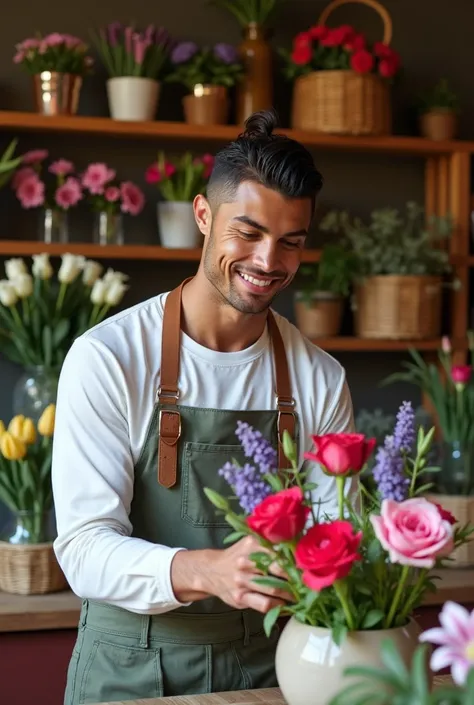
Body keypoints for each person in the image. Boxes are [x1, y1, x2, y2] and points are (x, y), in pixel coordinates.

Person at [52, 109, 356, 705]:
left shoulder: (320, 379)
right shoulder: (109, 358)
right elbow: (84, 549)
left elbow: (337, 534)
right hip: (131, 667)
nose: (269, 261)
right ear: (201, 216)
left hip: (274, 666)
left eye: (291, 242)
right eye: (247, 232)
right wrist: (207, 570)